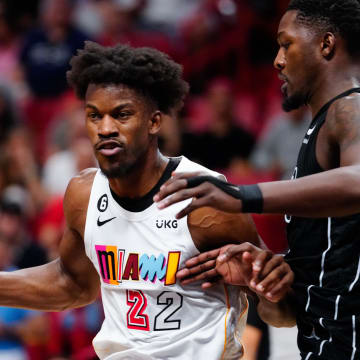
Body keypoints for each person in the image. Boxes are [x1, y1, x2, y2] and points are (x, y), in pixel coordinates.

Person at [0, 41, 293, 360]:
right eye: (94, 116)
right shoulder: (83, 194)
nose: (106, 128)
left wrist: (270, 292)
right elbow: (72, 283)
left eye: (121, 114)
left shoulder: (204, 199)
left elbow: (283, 314)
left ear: (154, 122)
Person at [154, 1, 360, 359]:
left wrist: (240, 195)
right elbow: (285, 314)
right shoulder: (323, 127)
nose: (277, 60)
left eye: (287, 44)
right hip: (321, 342)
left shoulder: (351, 108)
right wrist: (268, 272)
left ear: (326, 45)